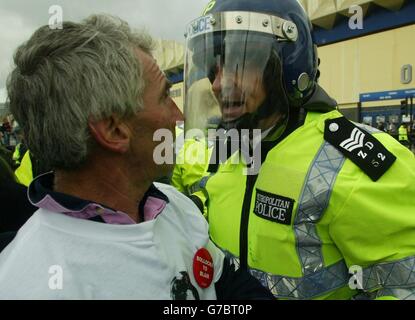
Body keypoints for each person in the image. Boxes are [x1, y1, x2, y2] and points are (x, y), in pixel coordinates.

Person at [0, 14, 273, 300]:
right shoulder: (34, 284)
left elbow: (234, 289)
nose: (179, 116)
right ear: (115, 130)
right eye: (165, 97)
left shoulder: (171, 205)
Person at [177, 0, 415, 299]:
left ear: (289, 64)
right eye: (212, 69)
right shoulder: (226, 152)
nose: (219, 83)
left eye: (241, 60)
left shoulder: (351, 166)